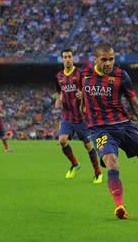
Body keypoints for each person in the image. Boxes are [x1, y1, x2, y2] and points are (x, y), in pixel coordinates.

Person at [80, 43, 138, 219]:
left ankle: (116, 154)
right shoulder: (84, 73)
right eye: (104, 60)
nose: (108, 63)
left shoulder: (121, 76)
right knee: (111, 161)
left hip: (124, 125)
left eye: (111, 59)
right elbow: (81, 91)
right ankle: (120, 206)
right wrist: (82, 106)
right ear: (95, 60)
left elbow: (134, 104)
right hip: (100, 129)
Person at [55, 48, 102, 182]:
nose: (68, 59)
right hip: (67, 116)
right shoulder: (59, 76)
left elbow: (91, 89)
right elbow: (58, 92)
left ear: (73, 58)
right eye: (65, 57)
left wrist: (84, 94)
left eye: (70, 56)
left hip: (81, 117)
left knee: (88, 146)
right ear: (62, 59)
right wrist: (58, 100)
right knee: (62, 140)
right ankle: (75, 164)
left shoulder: (80, 73)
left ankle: (98, 172)